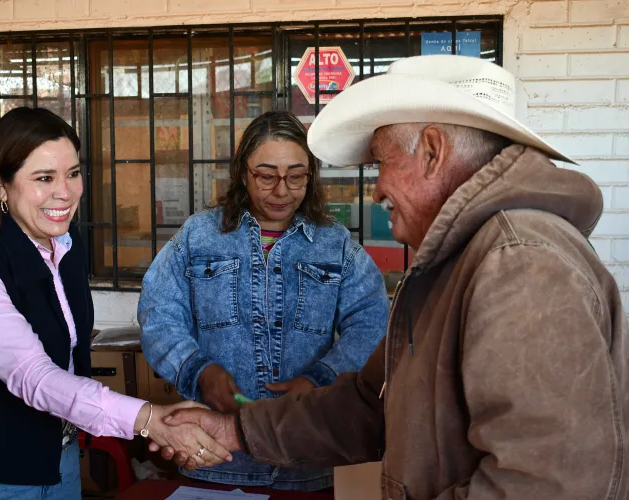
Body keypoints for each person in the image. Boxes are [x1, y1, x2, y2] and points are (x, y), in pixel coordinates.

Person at [155, 55, 629, 499]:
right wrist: (235, 429)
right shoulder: (462, 262)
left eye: (383, 161)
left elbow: (543, 481)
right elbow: (369, 404)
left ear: (432, 152)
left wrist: (307, 384)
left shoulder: (520, 263)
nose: (377, 188)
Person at [0, 107, 230, 500]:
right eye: (44, 178)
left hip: (62, 458)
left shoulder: (66, 244)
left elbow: (72, 357)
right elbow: (34, 376)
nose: (66, 191)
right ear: (2, 186)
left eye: (73, 173)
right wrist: (148, 419)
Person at [138, 110, 390, 491]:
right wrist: (197, 370)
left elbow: (372, 323)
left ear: (310, 175)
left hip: (305, 461)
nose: (282, 190)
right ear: (243, 173)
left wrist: (322, 379)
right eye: (267, 176)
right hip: (214, 457)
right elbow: (158, 313)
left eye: (296, 176)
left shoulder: (334, 245)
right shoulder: (199, 236)